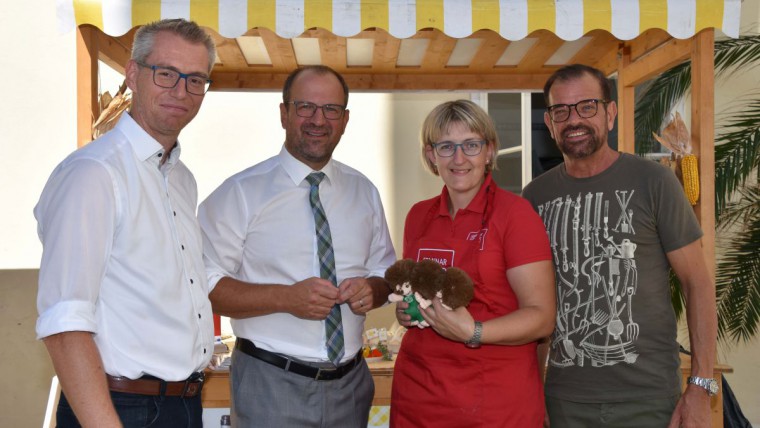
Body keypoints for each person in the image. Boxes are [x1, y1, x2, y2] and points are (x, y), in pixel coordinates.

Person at [34, 19, 216, 428]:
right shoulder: (94, 173)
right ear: (133, 75)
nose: (181, 91)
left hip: (182, 403)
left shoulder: (180, 179)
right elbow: (65, 323)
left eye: (195, 79)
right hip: (119, 408)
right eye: (166, 73)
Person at [198, 65, 397, 428]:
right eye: (305, 107)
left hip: (351, 386)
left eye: (331, 109)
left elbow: (385, 270)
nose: (318, 120)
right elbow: (203, 286)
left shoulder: (364, 191)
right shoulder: (240, 193)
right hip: (270, 383)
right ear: (283, 113)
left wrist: (374, 288)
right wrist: (285, 298)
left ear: (345, 119)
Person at [521, 64, 718, 428]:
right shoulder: (535, 197)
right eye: (560, 111)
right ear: (549, 124)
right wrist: (533, 393)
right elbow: (534, 306)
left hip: (648, 401)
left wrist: (701, 387)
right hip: (565, 399)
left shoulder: (654, 182)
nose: (573, 119)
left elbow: (698, 284)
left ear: (610, 114)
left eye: (586, 106)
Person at [390, 99, 556, 427]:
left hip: (494, 402)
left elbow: (542, 318)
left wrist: (474, 330)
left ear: (490, 151)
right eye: (446, 146)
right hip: (419, 397)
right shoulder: (418, 216)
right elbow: (417, 289)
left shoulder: (515, 215)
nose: (459, 158)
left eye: (471, 144)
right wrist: (408, 309)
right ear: (430, 155)